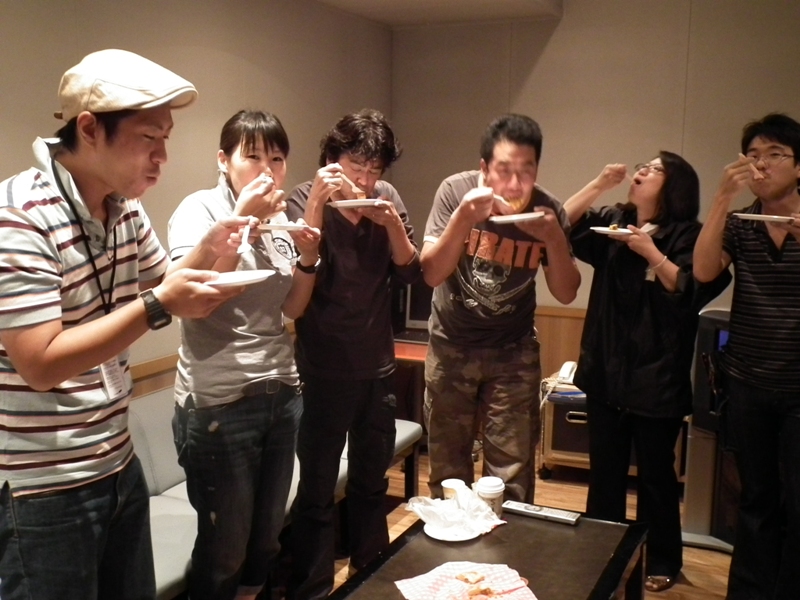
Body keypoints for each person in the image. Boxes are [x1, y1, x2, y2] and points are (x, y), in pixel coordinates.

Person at [0, 49, 256, 600]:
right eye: (148, 138)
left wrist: (211, 249)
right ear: (89, 129)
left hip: (117, 460)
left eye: (166, 139)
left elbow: (166, 282)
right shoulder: (20, 215)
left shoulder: (124, 209)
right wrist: (159, 304)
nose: (162, 156)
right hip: (44, 487)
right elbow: (40, 363)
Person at [167, 110, 320, 600]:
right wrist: (243, 220)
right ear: (223, 160)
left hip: (281, 392)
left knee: (267, 540)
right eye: (252, 156)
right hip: (220, 402)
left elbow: (291, 308)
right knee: (225, 550)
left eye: (276, 159)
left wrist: (309, 259)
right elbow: (201, 300)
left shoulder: (279, 220)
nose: (266, 169)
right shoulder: (199, 210)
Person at [564, 152, 730, 593]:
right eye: (644, 166)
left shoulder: (688, 235)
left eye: (655, 169)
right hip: (604, 372)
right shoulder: (613, 220)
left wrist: (651, 252)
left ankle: (662, 559)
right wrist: (599, 183)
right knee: (605, 472)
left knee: (657, 478)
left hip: (657, 380)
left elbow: (693, 289)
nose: (642, 172)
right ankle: (602, 551)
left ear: (675, 187)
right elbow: (560, 223)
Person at [284, 109, 420, 600]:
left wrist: (392, 224)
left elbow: (410, 271)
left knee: (370, 481)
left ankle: (371, 580)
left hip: (377, 366)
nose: (364, 181)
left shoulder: (387, 199)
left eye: (373, 171)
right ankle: (313, 589)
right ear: (331, 160)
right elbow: (298, 276)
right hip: (322, 368)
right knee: (317, 488)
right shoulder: (303, 197)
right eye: (355, 168)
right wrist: (317, 205)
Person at [421, 114, 581, 503]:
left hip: (514, 352)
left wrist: (554, 239)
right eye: (504, 170)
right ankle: (454, 542)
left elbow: (566, 292)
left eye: (526, 171)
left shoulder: (547, 209)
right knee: (448, 472)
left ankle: (509, 541)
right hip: (452, 344)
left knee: (512, 474)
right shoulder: (455, 191)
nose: (515, 183)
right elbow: (431, 272)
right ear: (484, 168)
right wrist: (463, 218)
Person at [694, 113, 800, 600]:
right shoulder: (741, 223)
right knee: (754, 498)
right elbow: (703, 270)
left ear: (798, 166)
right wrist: (721, 198)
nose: (761, 165)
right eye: (753, 155)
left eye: (774, 154)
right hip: (747, 381)